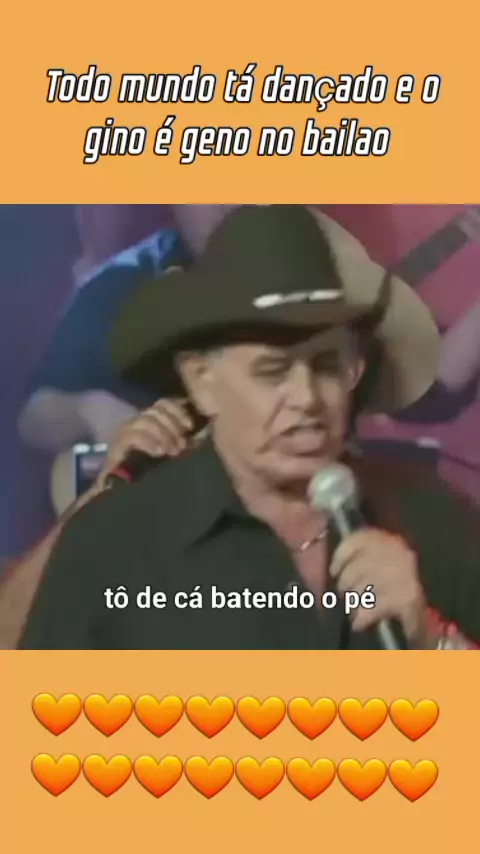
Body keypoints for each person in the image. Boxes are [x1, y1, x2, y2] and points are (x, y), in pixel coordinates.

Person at [17, 205, 480, 651]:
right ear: (202, 382)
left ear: (354, 370)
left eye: (325, 366)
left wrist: (433, 640)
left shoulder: (431, 520)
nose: (306, 397)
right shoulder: (113, 540)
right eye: (272, 372)